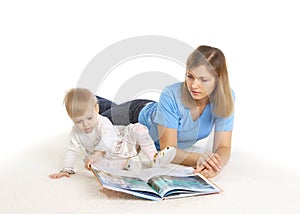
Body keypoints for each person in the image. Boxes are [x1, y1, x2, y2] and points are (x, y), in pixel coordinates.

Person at [97, 45, 235, 178]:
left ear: (219, 80)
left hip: (156, 112)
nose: (194, 85)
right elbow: (168, 151)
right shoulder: (171, 94)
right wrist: (201, 158)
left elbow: (223, 147)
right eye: (190, 76)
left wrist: (215, 166)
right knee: (92, 118)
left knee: (106, 109)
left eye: (203, 79)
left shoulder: (225, 98)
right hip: (135, 116)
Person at [49, 88, 176, 179]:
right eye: (78, 121)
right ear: (71, 119)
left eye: (89, 118)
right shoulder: (76, 133)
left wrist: (97, 153)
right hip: (110, 157)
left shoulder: (102, 121)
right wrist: (66, 169)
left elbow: (108, 136)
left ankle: (154, 157)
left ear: (96, 110)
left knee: (138, 129)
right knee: (91, 163)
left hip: (125, 142)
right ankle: (126, 164)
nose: (85, 125)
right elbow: (72, 150)